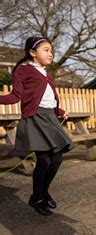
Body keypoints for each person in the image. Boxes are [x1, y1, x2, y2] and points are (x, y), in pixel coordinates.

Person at [0, 37, 73, 216]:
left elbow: (48, 96)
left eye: (51, 51)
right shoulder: (23, 70)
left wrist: (59, 110)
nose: (51, 54)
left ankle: (41, 193)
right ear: (33, 53)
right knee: (44, 160)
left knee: (57, 159)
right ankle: (37, 198)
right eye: (46, 50)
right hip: (35, 118)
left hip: (50, 117)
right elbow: (15, 96)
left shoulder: (47, 73)